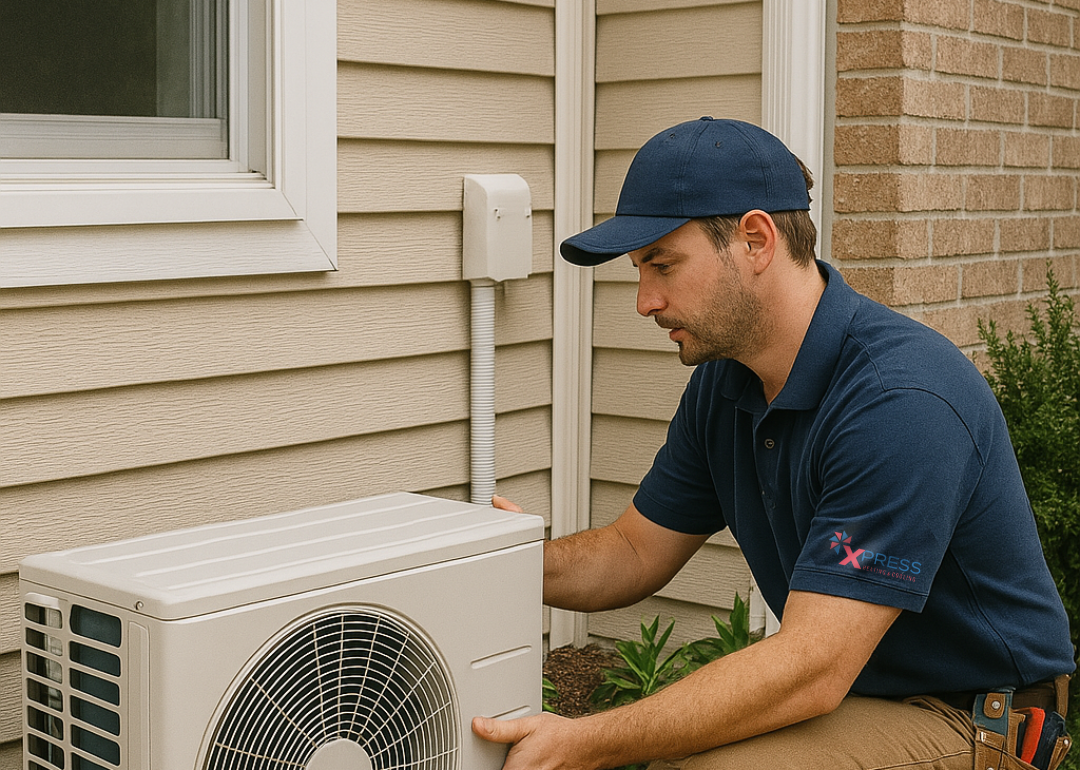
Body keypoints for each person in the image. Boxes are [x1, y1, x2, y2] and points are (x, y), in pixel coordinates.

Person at [470, 117, 1075, 770]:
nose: (645, 301)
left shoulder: (898, 401)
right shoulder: (728, 384)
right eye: (640, 271)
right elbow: (633, 550)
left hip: (977, 716)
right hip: (859, 691)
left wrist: (584, 742)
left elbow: (811, 667)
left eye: (663, 265)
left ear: (755, 239)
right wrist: (511, 564)